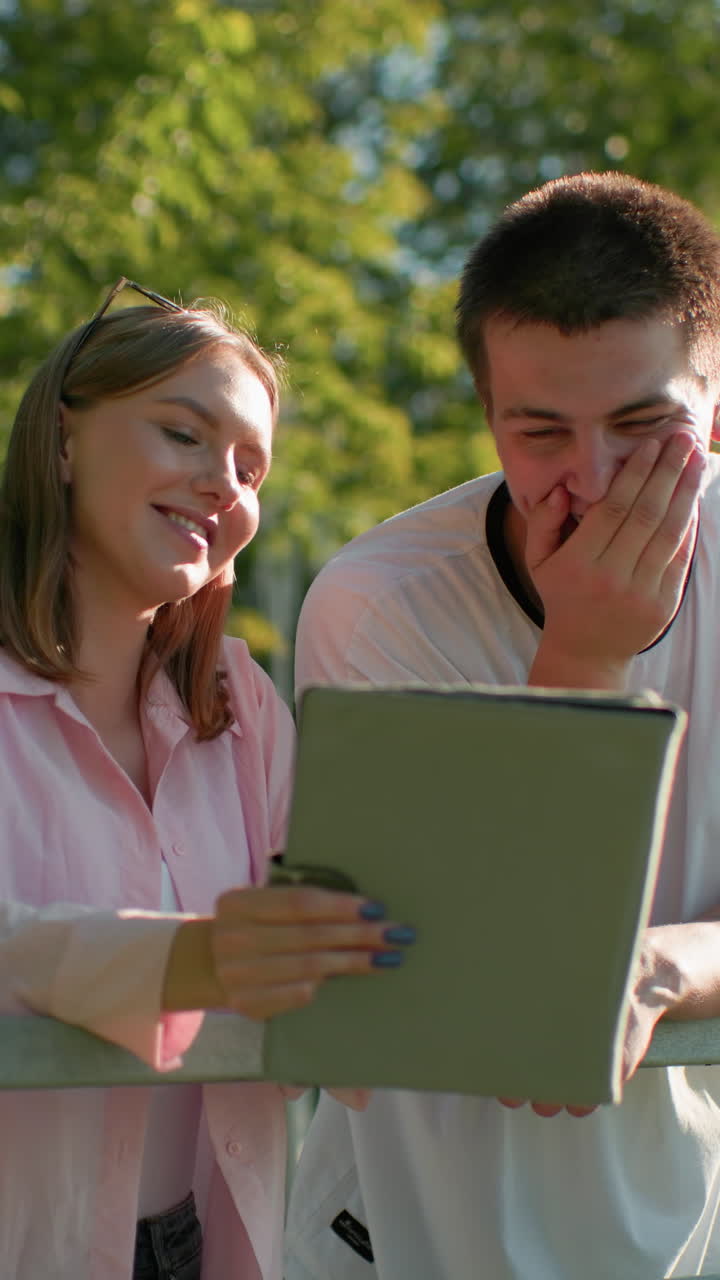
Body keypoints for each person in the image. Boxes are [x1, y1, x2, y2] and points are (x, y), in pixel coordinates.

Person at [284, 173, 720, 1279]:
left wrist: (666, 965)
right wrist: (585, 656)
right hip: (425, 1234)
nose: (596, 479)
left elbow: (617, 971)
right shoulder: (377, 607)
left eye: (644, 426)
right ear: (489, 421)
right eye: (542, 433)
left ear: (714, 409)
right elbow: (513, 973)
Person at [0, 279, 414, 1280]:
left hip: (201, 1243)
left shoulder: (242, 706)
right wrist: (198, 959)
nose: (224, 484)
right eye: (184, 434)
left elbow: (331, 959)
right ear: (62, 438)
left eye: (250, 466)